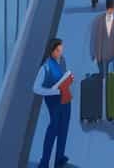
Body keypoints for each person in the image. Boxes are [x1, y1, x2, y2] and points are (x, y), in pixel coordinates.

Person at [33, 38, 73, 168]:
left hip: (66, 99)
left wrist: (68, 79)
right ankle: (44, 162)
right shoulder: (45, 68)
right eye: (58, 50)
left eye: (61, 49)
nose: (60, 52)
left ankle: (59, 158)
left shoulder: (62, 61)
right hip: (54, 101)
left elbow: (63, 77)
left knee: (64, 129)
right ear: (51, 51)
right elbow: (36, 88)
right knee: (54, 128)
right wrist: (53, 91)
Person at [90, 0, 114, 78]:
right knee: (102, 73)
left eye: (113, 8)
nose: (111, 10)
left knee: (108, 73)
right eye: (110, 8)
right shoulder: (98, 19)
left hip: (110, 52)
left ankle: (105, 84)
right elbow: (93, 36)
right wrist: (92, 52)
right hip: (100, 51)